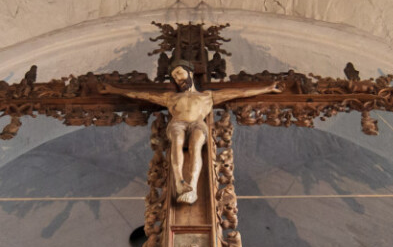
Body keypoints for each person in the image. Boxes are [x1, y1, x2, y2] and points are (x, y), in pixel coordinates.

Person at [102, 66, 282, 203]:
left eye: (179, 73)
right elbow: (140, 94)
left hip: (198, 123)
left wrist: (266, 89)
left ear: (190, 74)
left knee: (196, 146)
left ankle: (192, 186)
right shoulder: (170, 97)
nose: (177, 78)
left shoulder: (207, 96)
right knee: (177, 141)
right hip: (178, 122)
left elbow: (240, 92)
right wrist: (114, 90)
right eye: (174, 76)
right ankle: (179, 182)